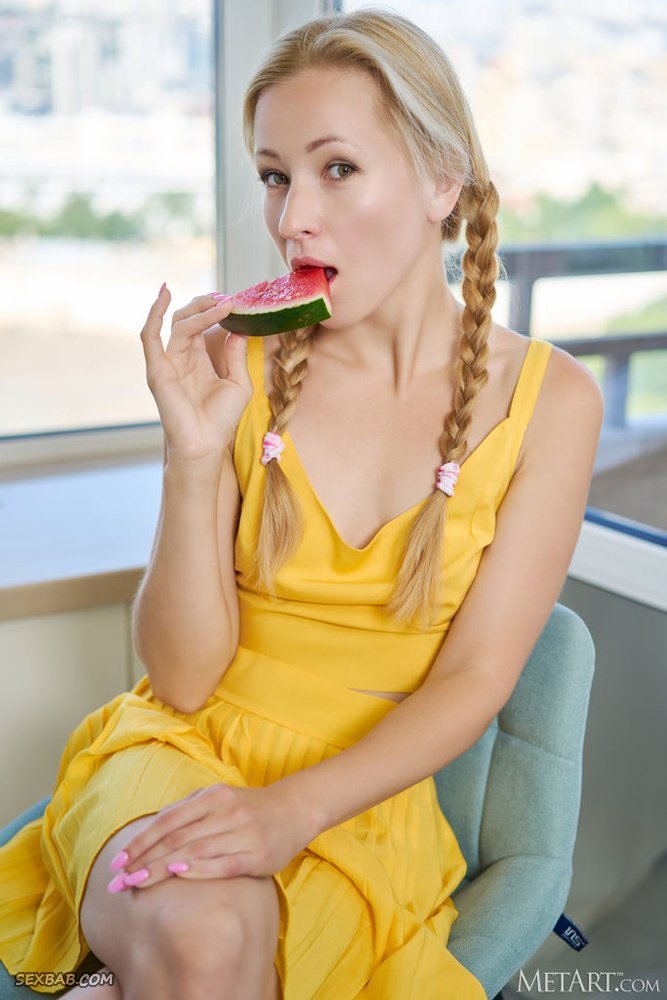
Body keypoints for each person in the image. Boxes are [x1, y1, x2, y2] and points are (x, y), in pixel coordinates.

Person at [0, 8, 603, 999]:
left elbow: (476, 678)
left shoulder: (552, 403)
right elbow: (183, 677)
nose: (290, 221)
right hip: (179, 749)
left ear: (441, 180)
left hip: (359, 800)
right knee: (203, 938)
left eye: (337, 168)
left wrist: (289, 811)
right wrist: (193, 455)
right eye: (275, 176)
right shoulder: (240, 362)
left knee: (207, 956)